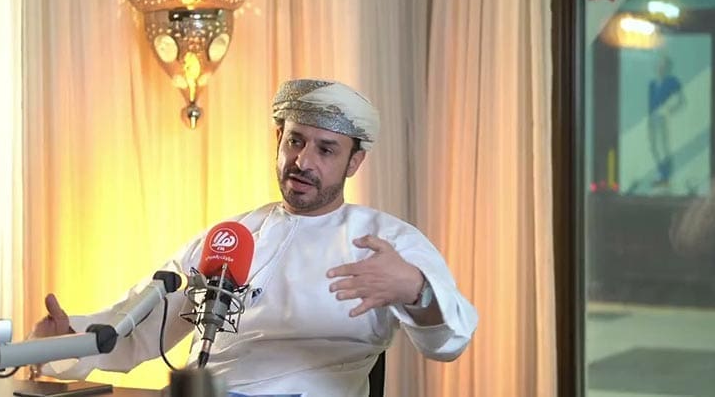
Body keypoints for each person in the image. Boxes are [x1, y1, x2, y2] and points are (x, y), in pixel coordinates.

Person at [30, 79, 478, 396]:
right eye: (295, 141)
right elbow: (142, 326)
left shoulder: (386, 239)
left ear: (354, 163)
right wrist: (69, 338)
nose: (303, 161)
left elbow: (450, 341)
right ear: (279, 139)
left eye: (326, 149)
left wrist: (416, 290)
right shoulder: (233, 235)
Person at [647, 55, 685, 187]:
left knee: (663, 147)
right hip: (652, 119)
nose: (660, 68)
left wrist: (669, 111)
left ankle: (666, 176)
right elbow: (650, 104)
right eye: (659, 65)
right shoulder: (652, 84)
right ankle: (662, 175)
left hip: (663, 118)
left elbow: (681, 101)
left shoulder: (673, 81)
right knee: (654, 147)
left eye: (663, 65)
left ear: (668, 68)